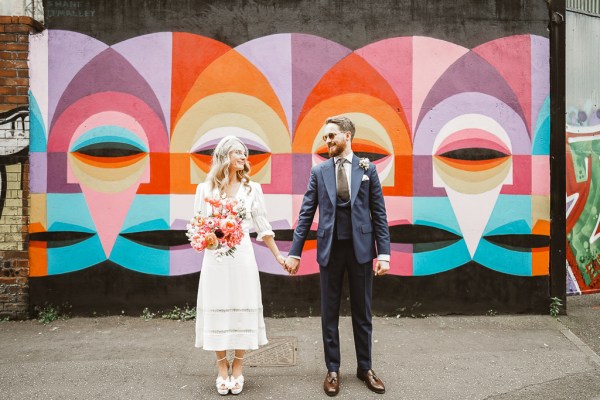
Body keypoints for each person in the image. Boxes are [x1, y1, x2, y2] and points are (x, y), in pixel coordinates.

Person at [285, 115, 391, 396]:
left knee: (363, 312)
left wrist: (385, 255)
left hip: (361, 251)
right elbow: (306, 212)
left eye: (331, 136)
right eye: (325, 137)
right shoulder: (319, 172)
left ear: (347, 136)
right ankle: (332, 370)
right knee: (329, 313)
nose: (327, 141)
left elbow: (379, 213)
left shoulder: (368, 169)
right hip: (329, 251)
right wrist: (294, 252)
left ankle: (365, 367)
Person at [193, 135, 286, 395]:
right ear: (225, 156)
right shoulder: (205, 190)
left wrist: (278, 256)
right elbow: (198, 225)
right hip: (215, 260)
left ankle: (239, 367)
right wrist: (205, 239)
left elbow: (263, 227)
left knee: (242, 306)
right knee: (217, 305)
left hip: (243, 257)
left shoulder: (252, 189)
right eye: (238, 152)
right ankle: (222, 368)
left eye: (245, 153)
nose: (244, 157)